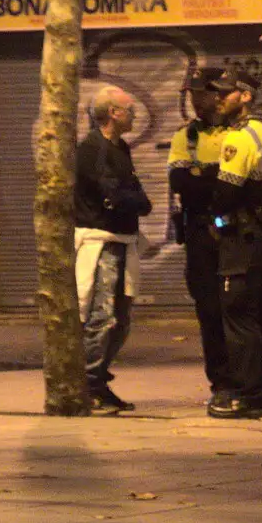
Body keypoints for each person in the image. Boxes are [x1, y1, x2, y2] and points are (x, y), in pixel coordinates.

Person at [206, 70, 262, 420]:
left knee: (239, 316)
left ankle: (247, 396)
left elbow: (226, 192)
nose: (218, 99)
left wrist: (214, 216)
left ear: (245, 97)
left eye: (225, 93)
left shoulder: (237, 139)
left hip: (242, 238)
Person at [75, 86, 151, 413]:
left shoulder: (120, 148)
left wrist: (132, 201)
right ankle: (89, 385)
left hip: (123, 240)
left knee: (122, 318)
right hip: (101, 242)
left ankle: (100, 378)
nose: (134, 115)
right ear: (113, 113)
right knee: (102, 315)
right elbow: (115, 195)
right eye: (129, 110)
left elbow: (134, 195)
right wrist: (130, 201)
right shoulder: (93, 149)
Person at [169, 66, 233, 410]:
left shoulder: (236, 134)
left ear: (216, 94)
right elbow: (180, 184)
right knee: (209, 311)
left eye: (200, 93)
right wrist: (212, 175)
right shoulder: (186, 137)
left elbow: (236, 183)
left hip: (232, 233)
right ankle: (221, 382)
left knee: (237, 310)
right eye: (190, 94)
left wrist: (201, 175)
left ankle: (247, 379)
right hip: (199, 235)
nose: (194, 101)